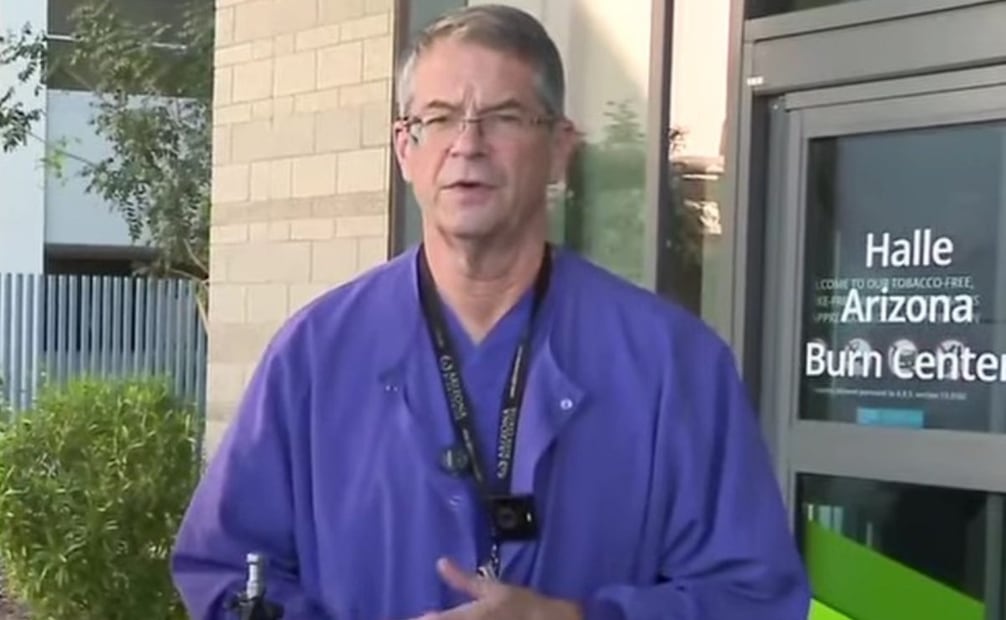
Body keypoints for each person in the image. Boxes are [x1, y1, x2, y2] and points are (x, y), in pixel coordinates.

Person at [170, 4, 811, 619]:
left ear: (561, 148)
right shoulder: (316, 353)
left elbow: (755, 597)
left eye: (503, 117)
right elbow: (225, 568)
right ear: (404, 148)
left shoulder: (672, 363)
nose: (467, 145)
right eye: (441, 118)